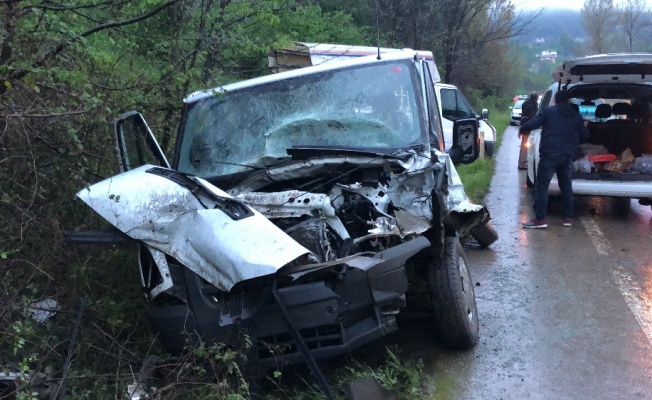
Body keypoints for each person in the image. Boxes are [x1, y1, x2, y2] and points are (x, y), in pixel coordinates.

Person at [519, 90, 589, 229]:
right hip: (568, 155)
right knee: (566, 186)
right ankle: (568, 218)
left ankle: (540, 220)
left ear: (556, 100)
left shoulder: (548, 112)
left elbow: (534, 123)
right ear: (569, 101)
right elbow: (585, 136)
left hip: (550, 153)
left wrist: (523, 128)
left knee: (542, 186)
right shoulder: (576, 116)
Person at [517, 92, 539, 169]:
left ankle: (520, 162)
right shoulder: (532, 106)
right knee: (526, 145)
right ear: (536, 98)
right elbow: (532, 118)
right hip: (528, 127)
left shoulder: (525, 103)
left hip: (523, 126)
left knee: (523, 145)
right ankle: (523, 163)